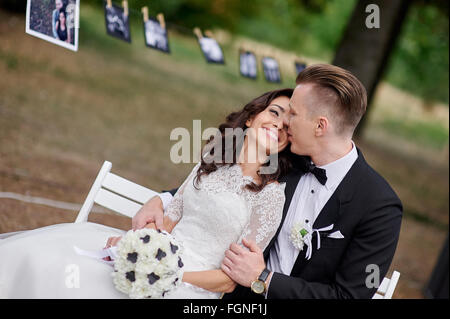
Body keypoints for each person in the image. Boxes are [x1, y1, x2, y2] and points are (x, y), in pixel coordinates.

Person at [133, 64, 403, 299]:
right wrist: (160, 199)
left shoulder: (378, 206)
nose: (284, 123)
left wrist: (264, 278)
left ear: (320, 126)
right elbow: (221, 187)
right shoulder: (287, 161)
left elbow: (348, 297)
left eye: (293, 115)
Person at [0, 89, 298, 298]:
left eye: (287, 126)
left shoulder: (270, 196)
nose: (278, 125)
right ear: (250, 118)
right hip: (156, 258)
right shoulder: (213, 161)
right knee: (48, 259)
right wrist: (136, 246)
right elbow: (169, 220)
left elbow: (228, 282)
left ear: (286, 144)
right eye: (274, 112)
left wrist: (168, 274)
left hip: (189, 287)